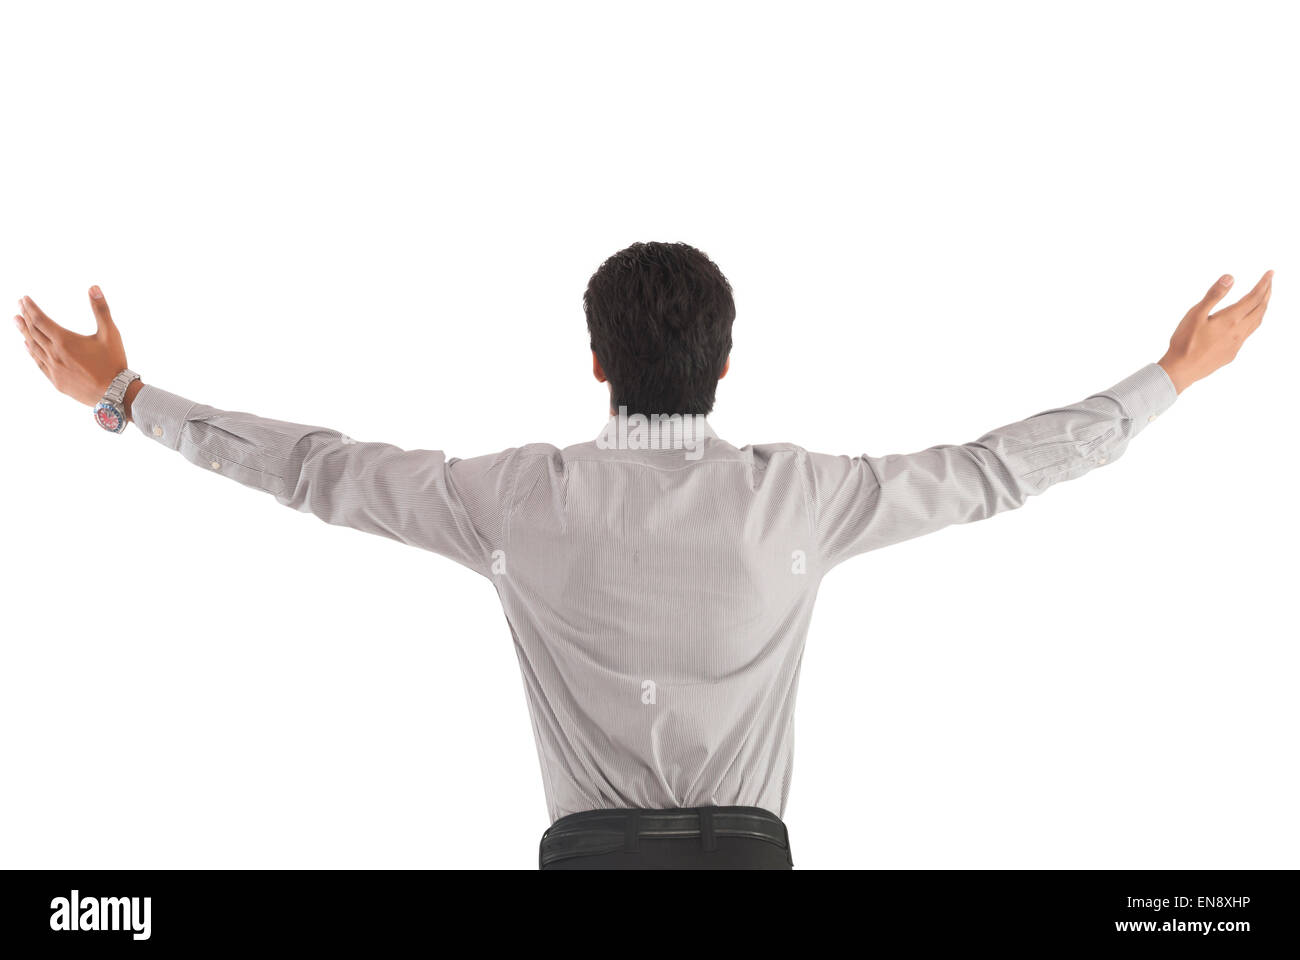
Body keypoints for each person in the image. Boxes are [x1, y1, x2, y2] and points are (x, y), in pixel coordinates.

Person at [14, 243, 1273, 870]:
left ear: (597, 362)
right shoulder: (803, 499)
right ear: (724, 362)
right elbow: (1002, 467)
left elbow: (310, 468)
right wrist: (1173, 377)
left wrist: (124, 395)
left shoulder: (514, 499)